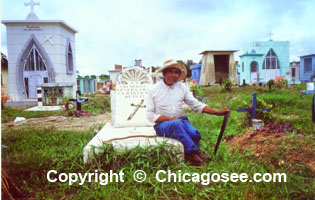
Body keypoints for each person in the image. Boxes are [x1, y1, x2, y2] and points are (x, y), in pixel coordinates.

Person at [146, 59, 230, 165]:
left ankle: (195, 151)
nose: (174, 75)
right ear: (164, 73)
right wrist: (170, 119)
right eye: (171, 72)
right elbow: (150, 115)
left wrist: (217, 112)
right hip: (162, 125)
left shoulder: (182, 88)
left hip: (180, 121)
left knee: (194, 133)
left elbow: (196, 104)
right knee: (176, 124)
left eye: (177, 72)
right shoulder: (153, 90)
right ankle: (193, 154)